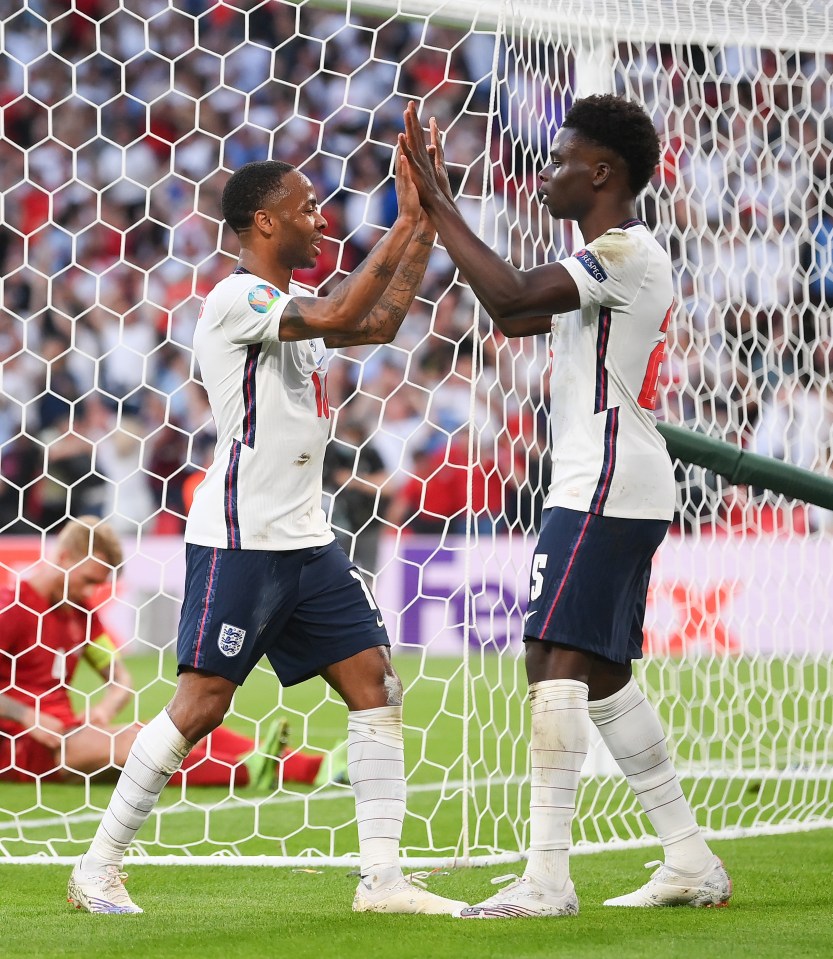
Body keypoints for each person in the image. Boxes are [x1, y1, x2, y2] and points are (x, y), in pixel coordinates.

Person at [68, 156, 468, 916]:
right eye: (309, 207)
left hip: (307, 536)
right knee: (202, 703)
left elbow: (375, 322)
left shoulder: (289, 302)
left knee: (375, 684)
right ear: (264, 221)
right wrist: (408, 220)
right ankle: (98, 868)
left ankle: (381, 879)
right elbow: (348, 313)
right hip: (241, 535)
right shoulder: (236, 296)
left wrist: (421, 226)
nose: (322, 219)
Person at [400, 94, 732, 917]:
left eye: (556, 160)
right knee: (602, 671)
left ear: (601, 171)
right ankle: (690, 858)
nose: (543, 174)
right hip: (602, 478)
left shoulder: (622, 250)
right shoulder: (603, 257)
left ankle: (546, 877)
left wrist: (440, 204)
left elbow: (509, 297)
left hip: (607, 479)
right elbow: (515, 319)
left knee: (551, 656)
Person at [0, 516, 325, 790]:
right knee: (138, 746)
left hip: (66, 733)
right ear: (65, 558)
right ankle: (248, 770)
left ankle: (315, 766)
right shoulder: (12, 606)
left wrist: (109, 704)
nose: (90, 592)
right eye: (87, 580)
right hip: (20, 744)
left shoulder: (81, 613)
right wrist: (27, 717)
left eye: (98, 584)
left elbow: (119, 676)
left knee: (186, 728)